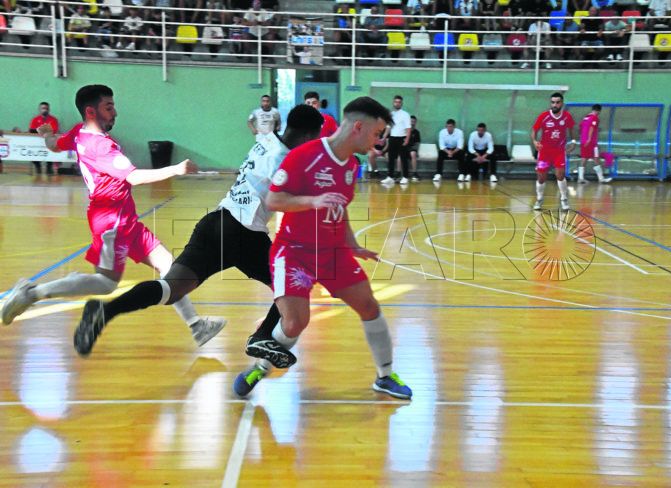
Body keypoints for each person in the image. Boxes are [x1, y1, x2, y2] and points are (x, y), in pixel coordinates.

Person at [72, 105, 324, 358]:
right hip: (243, 233)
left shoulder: (266, 140)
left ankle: (104, 312)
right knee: (294, 282)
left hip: (215, 223)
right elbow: (284, 200)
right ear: (307, 136)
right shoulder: (285, 161)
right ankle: (262, 337)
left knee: (170, 289)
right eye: (315, 138)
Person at [2, 85, 224, 350]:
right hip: (112, 221)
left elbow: (53, 145)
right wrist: (175, 169)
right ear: (91, 111)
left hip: (125, 218)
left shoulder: (78, 132)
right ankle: (32, 293)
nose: (115, 112)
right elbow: (134, 177)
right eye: (108, 107)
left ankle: (196, 326)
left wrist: (47, 134)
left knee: (169, 267)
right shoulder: (102, 146)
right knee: (106, 283)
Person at [238, 97, 413, 400]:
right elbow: (274, 200)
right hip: (294, 251)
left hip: (332, 252)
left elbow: (339, 208)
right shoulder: (304, 156)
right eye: (376, 133)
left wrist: (352, 243)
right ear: (358, 127)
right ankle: (260, 367)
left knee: (369, 306)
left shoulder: (352, 166)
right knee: (295, 322)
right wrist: (312, 201)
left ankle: (385, 377)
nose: (378, 141)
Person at [530, 92, 576, 211]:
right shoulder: (544, 116)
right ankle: (539, 199)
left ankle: (564, 199)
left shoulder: (567, 116)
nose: (555, 105)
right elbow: (534, 130)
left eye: (557, 102)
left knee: (560, 175)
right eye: (553, 102)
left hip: (559, 151)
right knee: (541, 177)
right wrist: (534, 141)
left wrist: (573, 141)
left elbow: (571, 129)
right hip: (544, 152)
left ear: (562, 103)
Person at [578, 104, 612, 184]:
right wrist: (589, 139)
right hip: (591, 142)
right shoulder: (595, 118)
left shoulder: (585, 118)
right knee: (596, 158)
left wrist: (583, 138)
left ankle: (580, 178)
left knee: (584, 158)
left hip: (583, 141)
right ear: (599, 111)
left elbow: (580, 128)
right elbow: (591, 127)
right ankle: (601, 179)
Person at [381, 95, 411, 186]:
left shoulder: (405, 114)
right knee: (390, 158)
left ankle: (405, 177)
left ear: (401, 103)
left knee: (403, 158)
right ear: (393, 103)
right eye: (395, 102)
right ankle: (390, 177)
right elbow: (388, 127)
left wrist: (407, 139)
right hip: (392, 138)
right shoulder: (391, 114)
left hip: (402, 138)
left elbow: (408, 128)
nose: (397, 103)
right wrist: (384, 137)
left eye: (399, 102)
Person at [28, 101, 59, 175]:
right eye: (43, 108)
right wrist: (43, 130)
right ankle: (38, 167)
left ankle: (49, 168)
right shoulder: (35, 119)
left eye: (46, 108)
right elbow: (31, 130)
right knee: (32, 150)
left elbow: (54, 130)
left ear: (49, 109)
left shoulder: (53, 119)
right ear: (40, 109)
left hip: (49, 142)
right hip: (36, 142)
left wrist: (41, 130)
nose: (45, 110)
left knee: (52, 151)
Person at [406, 115, 421, 182]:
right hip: (405, 148)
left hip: (412, 149)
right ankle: (399, 173)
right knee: (400, 155)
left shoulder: (417, 132)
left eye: (414, 121)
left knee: (413, 153)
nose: (412, 123)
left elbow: (417, 143)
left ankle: (414, 173)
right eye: (411, 121)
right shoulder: (405, 131)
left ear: (415, 123)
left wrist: (416, 150)